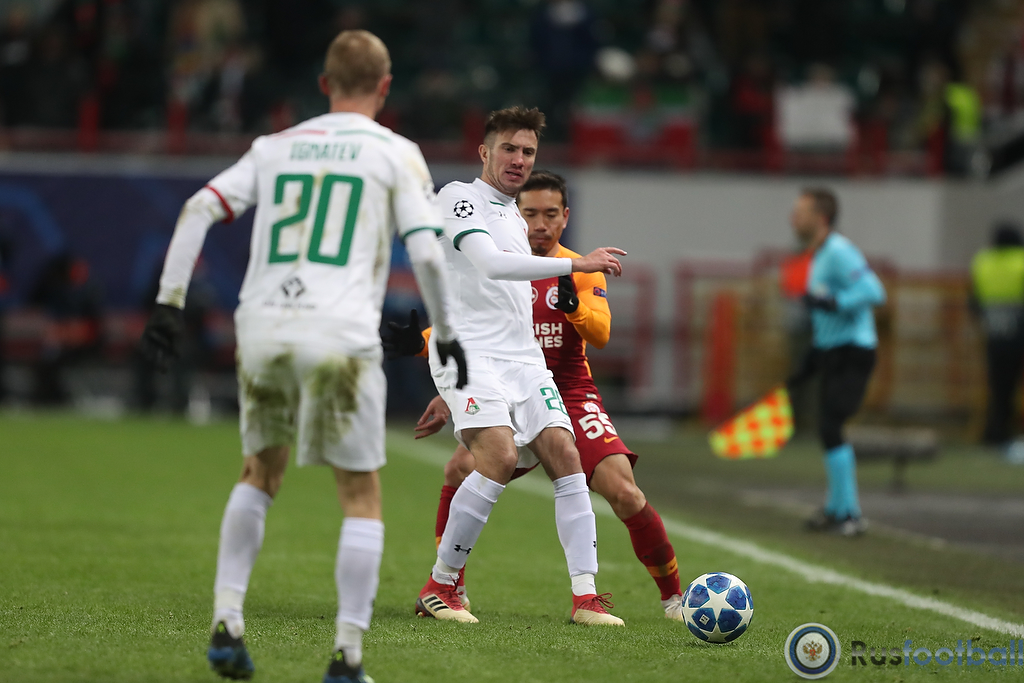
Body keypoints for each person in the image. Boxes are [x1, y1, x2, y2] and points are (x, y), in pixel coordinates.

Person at [139, 30, 467, 683]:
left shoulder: (274, 147)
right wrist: (448, 333)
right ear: (385, 87)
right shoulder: (395, 152)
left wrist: (169, 305)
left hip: (263, 326)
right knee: (360, 493)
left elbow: (198, 208)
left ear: (323, 85)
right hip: (339, 332)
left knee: (259, 471)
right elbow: (428, 254)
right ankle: (347, 656)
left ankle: (227, 619)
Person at [387, 170, 684, 620]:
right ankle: (449, 585)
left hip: (570, 391)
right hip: (503, 385)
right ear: (514, 215)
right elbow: (477, 330)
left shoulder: (577, 267)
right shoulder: (503, 261)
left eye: (550, 214)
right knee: (459, 469)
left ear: (566, 216)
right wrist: (428, 354)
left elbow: (601, 333)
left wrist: (575, 308)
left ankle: (674, 599)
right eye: (530, 214)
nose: (540, 224)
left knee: (624, 492)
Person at [408, 107, 627, 626]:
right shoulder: (458, 197)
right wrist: (577, 262)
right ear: (485, 151)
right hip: (468, 353)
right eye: (509, 148)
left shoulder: (512, 214)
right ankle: (440, 586)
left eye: (528, 151)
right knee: (500, 456)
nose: (519, 159)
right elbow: (489, 264)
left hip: (522, 356)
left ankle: (585, 597)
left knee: (565, 454)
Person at [787, 188, 886, 537]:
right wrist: (810, 360)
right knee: (828, 427)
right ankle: (837, 509)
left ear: (821, 217)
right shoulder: (819, 254)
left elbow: (874, 291)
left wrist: (835, 302)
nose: (793, 218)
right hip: (833, 351)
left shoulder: (839, 251)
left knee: (831, 425)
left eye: (801, 211)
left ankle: (850, 514)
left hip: (853, 351)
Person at [969, 222, 1024, 446]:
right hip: (1019, 332)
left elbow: (974, 300)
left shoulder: (982, 261)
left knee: (999, 387)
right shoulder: (1021, 261)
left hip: (994, 333)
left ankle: (996, 432)